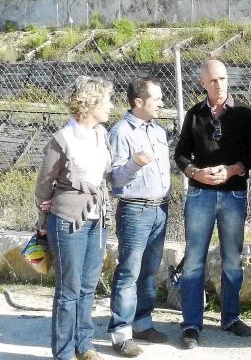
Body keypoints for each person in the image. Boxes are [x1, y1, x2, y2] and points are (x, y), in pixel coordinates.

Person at [174, 59, 251, 349]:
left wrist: (234, 169)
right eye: (212, 80)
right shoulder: (194, 114)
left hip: (233, 195)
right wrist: (195, 173)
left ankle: (231, 317)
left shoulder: (244, 114)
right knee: (194, 259)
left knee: (232, 259)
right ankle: (191, 324)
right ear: (203, 83)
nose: (219, 84)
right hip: (200, 195)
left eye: (222, 78)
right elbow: (181, 154)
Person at [35, 76, 114, 360]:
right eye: (106, 101)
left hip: (98, 219)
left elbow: (107, 175)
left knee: (88, 286)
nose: (111, 106)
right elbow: (43, 185)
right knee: (68, 289)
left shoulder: (102, 134)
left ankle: (84, 345)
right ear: (90, 103)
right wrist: (44, 214)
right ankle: (64, 352)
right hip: (68, 219)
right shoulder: (62, 139)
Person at [107, 78, 171, 357]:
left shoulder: (158, 131)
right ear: (138, 102)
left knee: (149, 271)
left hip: (160, 209)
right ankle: (121, 334)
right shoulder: (121, 132)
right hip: (135, 210)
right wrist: (134, 163)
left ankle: (142, 323)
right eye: (156, 99)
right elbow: (114, 180)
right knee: (129, 272)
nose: (161, 103)